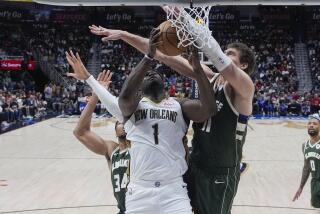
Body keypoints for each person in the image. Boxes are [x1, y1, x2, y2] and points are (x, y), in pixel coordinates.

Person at [89, 16, 255, 213]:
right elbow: (164, 55)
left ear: (243, 65)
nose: (224, 56)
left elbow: (218, 56)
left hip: (219, 172)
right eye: (225, 52)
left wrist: (193, 27)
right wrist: (124, 35)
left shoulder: (245, 89)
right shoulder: (212, 79)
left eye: (230, 54)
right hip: (195, 166)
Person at [66, 28, 216, 214]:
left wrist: (198, 71)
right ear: (139, 88)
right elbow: (123, 98)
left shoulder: (180, 106)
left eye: (156, 73)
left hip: (174, 190)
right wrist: (148, 57)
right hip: (139, 191)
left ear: (166, 85)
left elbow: (209, 109)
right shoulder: (131, 108)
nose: (151, 73)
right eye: (146, 75)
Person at [73, 71, 130, 214]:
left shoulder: (141, 147)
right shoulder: (112, 150)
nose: (122, 123)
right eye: (119, 121)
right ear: (115, 129)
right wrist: (96, 95)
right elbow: (80, 132)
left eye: (125, 121)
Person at [293, 113, 320, 208]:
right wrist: (301, 187)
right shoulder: (305, 145)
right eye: (309, 123)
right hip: (315, 183)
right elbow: (306, 168)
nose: (311, 125)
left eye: (315, 123)